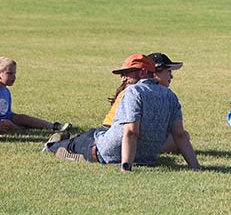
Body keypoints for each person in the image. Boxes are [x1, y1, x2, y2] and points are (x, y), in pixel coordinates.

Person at [46, 54, 200, 171]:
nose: (123, 79)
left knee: (71, 143)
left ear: (143, 72)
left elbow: (131, 132)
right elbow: (180, 135)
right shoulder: (170, 95)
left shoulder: (134, 91)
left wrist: (126, 167)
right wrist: (195, 167)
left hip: (106, 153)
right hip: (147, 159)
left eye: (127, 73)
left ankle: (52, 146)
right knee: (90, 135)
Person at [0, 56, 71, 133]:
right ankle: (21, 130)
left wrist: (18, 119)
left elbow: (7, 113)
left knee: (22, 117)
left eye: (14, 73)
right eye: (9, 73)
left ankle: (53, 126)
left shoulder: (6, 90)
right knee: (7, 123)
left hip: (6, 118)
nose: (14, 77)